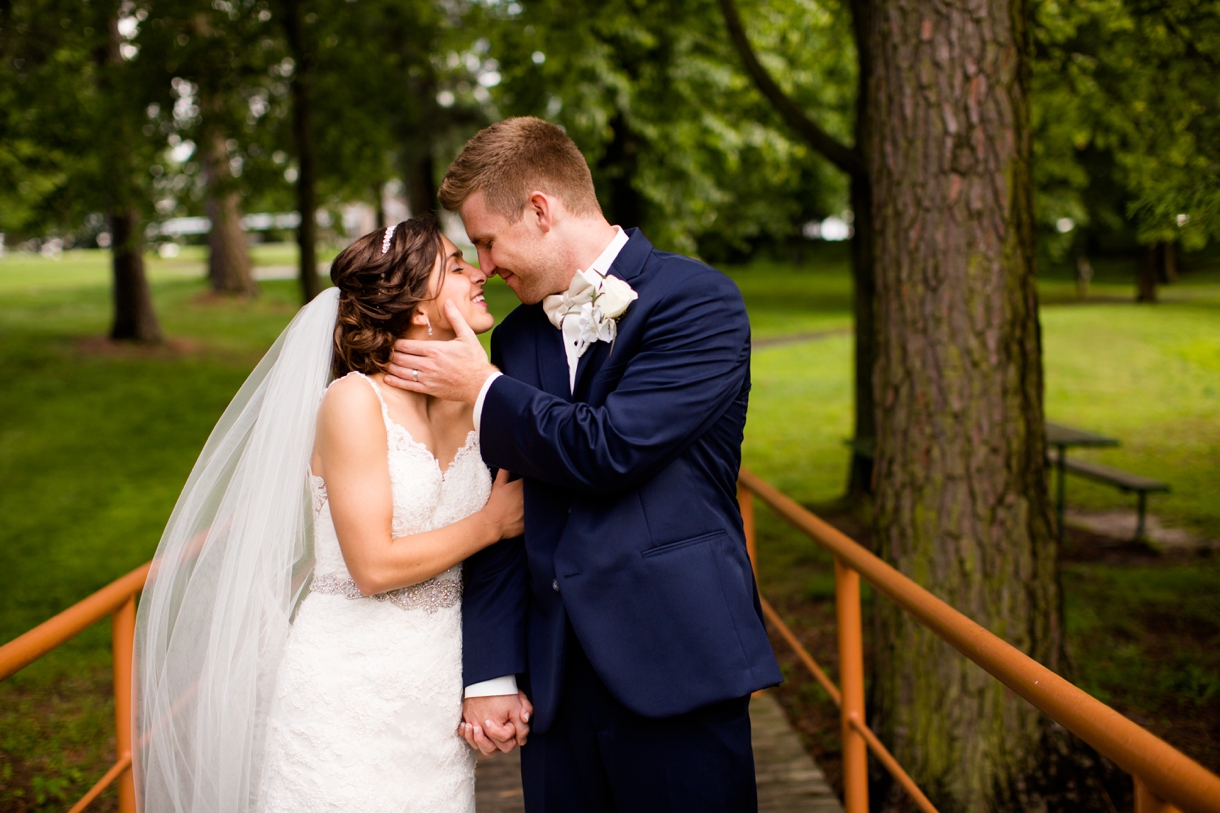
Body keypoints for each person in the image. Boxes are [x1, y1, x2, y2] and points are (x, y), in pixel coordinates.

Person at [387, 117, 783, 813]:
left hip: (678, 659)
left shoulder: (698, 302)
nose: (483, 266)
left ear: (540, 210)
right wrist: (490, 672)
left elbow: (612, 450)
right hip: (556, 684)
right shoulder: (511, 338)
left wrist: (480, 390)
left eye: (486, 240)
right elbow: (501, 511)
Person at [134, 217, 525, 813]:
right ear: (418, 307)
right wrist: (490, 523)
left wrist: (494, 680)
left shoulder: (477, 398)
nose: (480, 273)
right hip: (347, 686)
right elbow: (372, 564)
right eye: (456, 265)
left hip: (436, 688)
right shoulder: (352, 402)